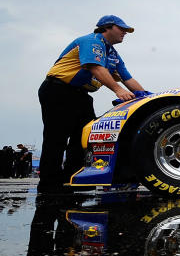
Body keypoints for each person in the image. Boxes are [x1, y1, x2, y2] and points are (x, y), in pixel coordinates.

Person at [38, 16, 146, 192]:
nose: (125, 32)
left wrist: (146, 97)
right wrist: (118, 91)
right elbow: (95, 67)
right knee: (56, 137)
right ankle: (49, 184)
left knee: (84, 137)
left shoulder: (112, 54)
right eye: (122, 29)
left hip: (81, 95)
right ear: (107, 28)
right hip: (58, 90)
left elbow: (128, 78)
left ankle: (71, 178)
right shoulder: (91, 41)